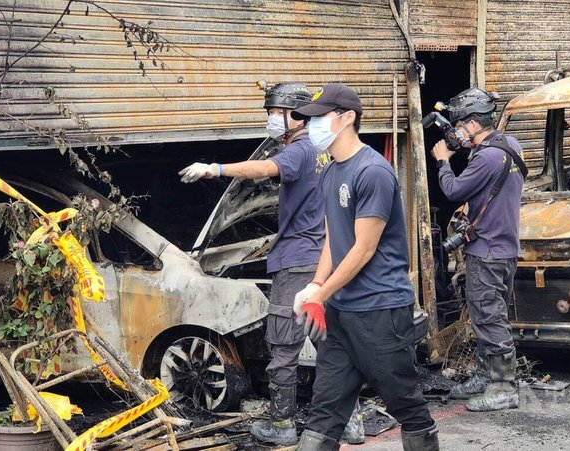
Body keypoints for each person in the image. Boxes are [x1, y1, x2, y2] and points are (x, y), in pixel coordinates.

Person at [178, 82, 363, 446]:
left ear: (295, 116)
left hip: (297, 262)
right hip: (322, 259)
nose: (270, 119)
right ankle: (349, 421)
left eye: (274, 113)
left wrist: (215, 168)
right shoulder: (322, 150)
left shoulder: (300, 150)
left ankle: (282, 423)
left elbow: (263, 168)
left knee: (284, 345)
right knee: (330, 342)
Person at [291, 83, 439, 451]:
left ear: (347, 118)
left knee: (404, 401)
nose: (311, 128)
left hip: (380, 311)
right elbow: (333, 238)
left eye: (318, 119)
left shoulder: (373, 171)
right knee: (325, 409)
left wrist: (321, 294)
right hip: (340, 313)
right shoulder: (329, 172)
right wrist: (316, 286)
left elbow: (363, 248)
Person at [431, 87, 525, 412]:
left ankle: (503, 387)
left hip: (487, 250)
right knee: (488, 314)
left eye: (459, 125)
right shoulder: (509, 145)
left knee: (488, 317)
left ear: (472, 124)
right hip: (505, 247)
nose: (456, 132)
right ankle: (485, 377)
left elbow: (453, 190)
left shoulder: (485, 156)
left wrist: (443, 161)